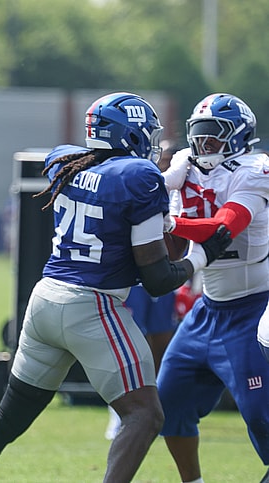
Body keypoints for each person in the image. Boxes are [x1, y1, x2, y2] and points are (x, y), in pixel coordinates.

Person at [0, 92, 233, 483]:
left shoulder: (66, 162)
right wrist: (203, 256)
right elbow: (157, 280)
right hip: (92, 306)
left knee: (8, 418)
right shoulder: (138, 178)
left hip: (46, 300)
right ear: (129, 135)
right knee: (146, 414)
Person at [157, 93, 269, 482]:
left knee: (261, 416)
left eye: (215, 137)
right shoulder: (185, 161)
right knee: (167, 404)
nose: (205, 145)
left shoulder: (255, 169)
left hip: (255, 308)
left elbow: (223, 228)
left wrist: (168, 225)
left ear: (239, 137)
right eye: (199, 136)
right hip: (208, 308)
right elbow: (153, 187)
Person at [104, 140, 184, 440]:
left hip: (164, 274)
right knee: (131, 343)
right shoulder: (137, 182)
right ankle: (120, 411)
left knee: (162, 342)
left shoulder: (177, 189)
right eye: (161, 157)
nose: (162, 164)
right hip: (136, 275)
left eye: (168, 159)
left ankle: (157, 403)